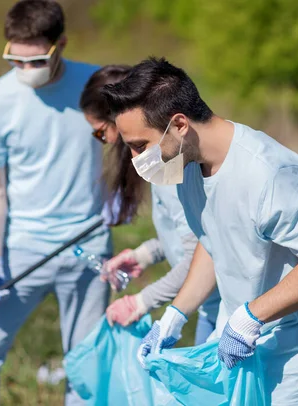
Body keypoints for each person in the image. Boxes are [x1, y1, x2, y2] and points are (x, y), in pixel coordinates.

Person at [100, 57, 298, 405]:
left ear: (179, 125)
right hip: (239, 358)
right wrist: (176, 314)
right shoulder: (188, 168)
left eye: (140, 145)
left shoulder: (269, 172)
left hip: (297, 367)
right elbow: (213, 241)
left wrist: (252, 316)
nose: (133, 158)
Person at [0, 1, 115, 405]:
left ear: (60, 43)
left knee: (85, 372)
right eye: (15, 60)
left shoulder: (97, 87)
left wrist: (119, 197)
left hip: (87, 247)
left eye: (37, 61)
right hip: (19, 251)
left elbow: (132, 146)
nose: (26, 70)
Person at [80, 66, 221, 345]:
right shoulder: (160, 165)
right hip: (210, 305)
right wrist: (144, 255)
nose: (105, 143)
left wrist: (140, 302)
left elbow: (200, 257)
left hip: (219, 305)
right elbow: (193, 234)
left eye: (100, 134)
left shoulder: (168, 167)